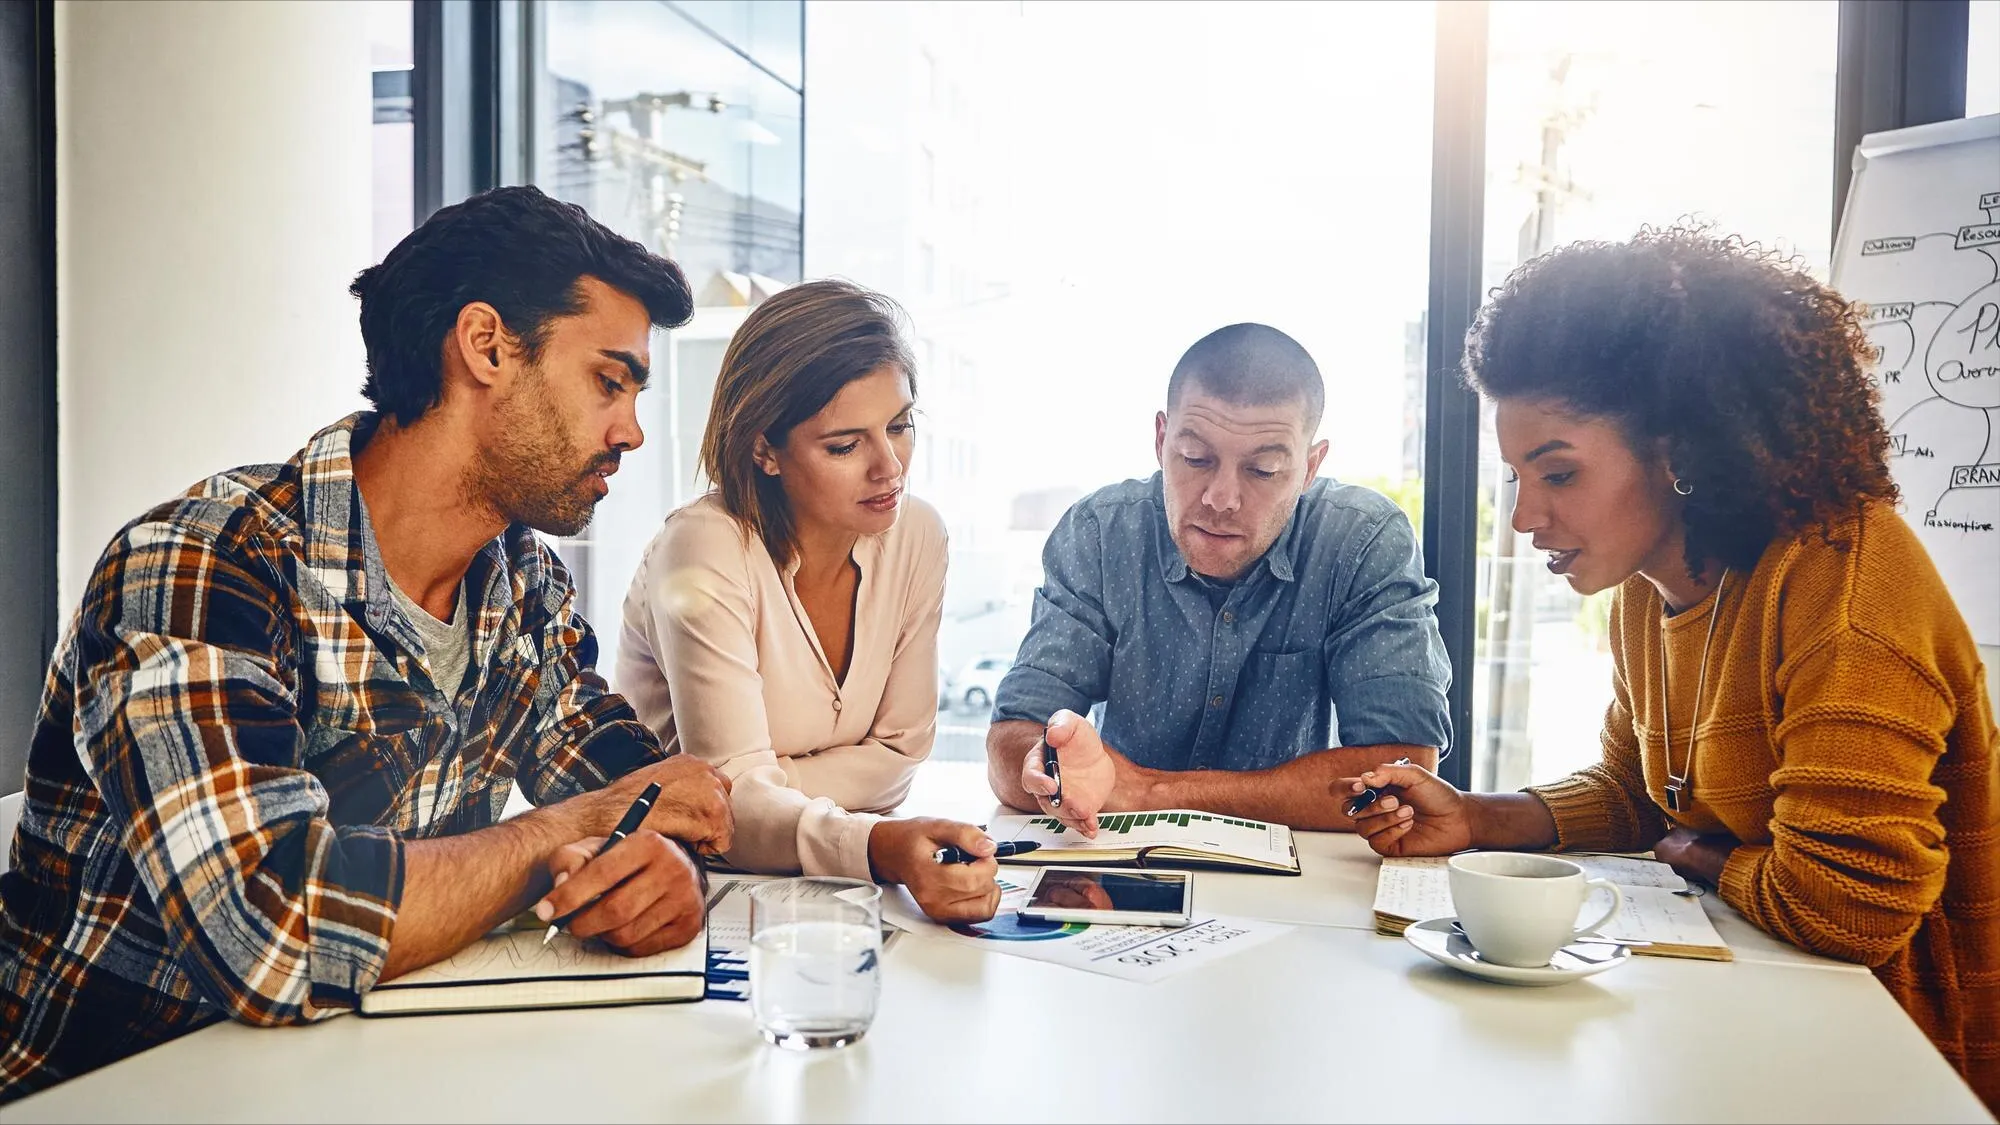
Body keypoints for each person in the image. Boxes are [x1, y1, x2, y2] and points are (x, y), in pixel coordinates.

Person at [0, 186, 735, 1102]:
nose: (628, 429)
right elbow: (273, 929)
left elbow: (652, 796)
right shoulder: (203, 565)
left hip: (361, 1081)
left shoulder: (523, 584)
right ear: (487, 346)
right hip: (107, 1093)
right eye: (609, 380)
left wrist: (663, 871)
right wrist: (568, 832)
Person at [1343, 226, 1999, 1108]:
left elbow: (1847, 902)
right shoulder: (1650, 593)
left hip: (1900, 1059)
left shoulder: (1841, 585)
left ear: (1681, 450)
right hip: (1760, 1017)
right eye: (1516, 479)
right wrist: (1473, 817)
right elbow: (1638, 791)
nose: (1524, 518)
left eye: (1560, 473)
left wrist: (1696, 854)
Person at [615, 279, 999, 924]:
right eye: (845, 446)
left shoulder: (916, 535)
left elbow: (900, 760)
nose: (890, 468)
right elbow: (724, 815)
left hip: (819, 891)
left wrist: (765, 787)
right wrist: (866, 836)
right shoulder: (704, 546)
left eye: (900, 427)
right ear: (765, 449)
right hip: (666, 889)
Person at [987, 323, 1453, 836]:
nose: (1221, 499)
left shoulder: (1361, 540)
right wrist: (1042, 767)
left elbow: (1404, 768)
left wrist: (1147, 791)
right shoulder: (1100, 533)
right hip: (1112, 859)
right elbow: (1013, 737)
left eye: (1264, 470)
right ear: (1162, 440)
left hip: (1299, 877)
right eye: (1195, 459)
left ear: (1309, 467)